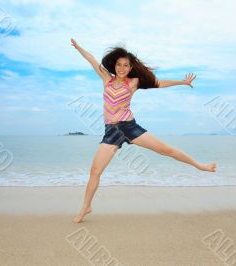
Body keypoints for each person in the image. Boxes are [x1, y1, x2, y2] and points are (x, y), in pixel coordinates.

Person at [70, 38, 217, 223]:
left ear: (131, 67)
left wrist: (182, 82)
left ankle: (199, 165)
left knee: (166, 150)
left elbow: (159, 83)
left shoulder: (134, 82)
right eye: (119, 64)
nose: (122, 68)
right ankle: (86, 207)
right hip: (111, 132)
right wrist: (79, 48)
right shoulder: (106, 79)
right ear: (114, 65)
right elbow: (91, 59)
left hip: (129, 127)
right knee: (95, 171)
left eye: (126, 65)